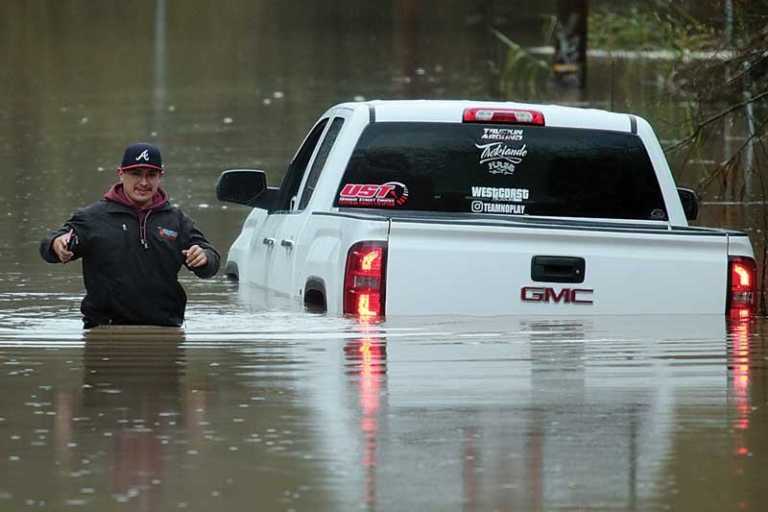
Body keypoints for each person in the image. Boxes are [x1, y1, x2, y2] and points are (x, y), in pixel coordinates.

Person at [40, 142, 220, 328]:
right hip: (103, 331)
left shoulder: (177, 220)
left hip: (166, 330)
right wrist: (56, 244)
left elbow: (211, 262)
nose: (143, 182)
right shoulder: (92, 217)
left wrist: (204, 257)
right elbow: (51, 246)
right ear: (121, 174)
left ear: (161, 176)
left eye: (151, 175)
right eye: (136, 174)